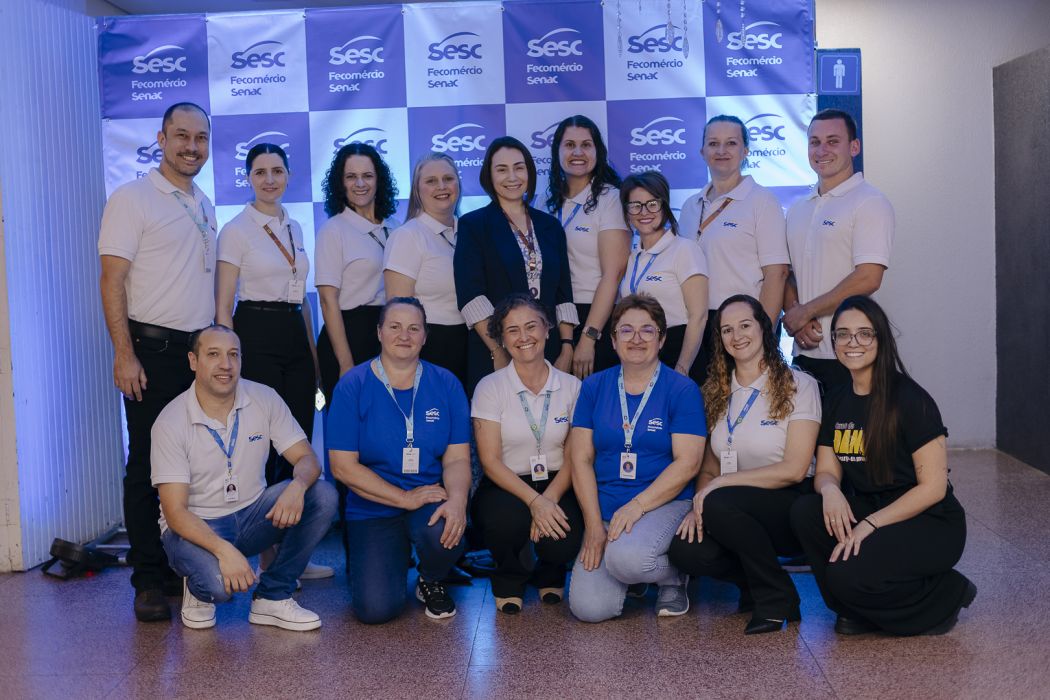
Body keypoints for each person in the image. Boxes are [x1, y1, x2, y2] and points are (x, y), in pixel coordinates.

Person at [789, 296, 975, 636]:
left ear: (881, 339)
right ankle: (852, 610)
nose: (853, 342)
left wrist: (870, 524)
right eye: (843, 334)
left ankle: (946, 594)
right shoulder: (837, 399)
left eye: (864, 333)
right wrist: (830, 490)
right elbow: (827, 470)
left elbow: (933, 488)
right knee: (807, 512)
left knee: (844, 575)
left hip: (928, 520)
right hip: (873, 505)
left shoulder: (911, 399)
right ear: (834, 342)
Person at [98, 102, 216, 622]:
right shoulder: (132, 198)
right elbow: (112, 279)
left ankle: (172, 567)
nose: (192, 147)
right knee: (146, 467)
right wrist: (124, 354)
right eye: (182, 136)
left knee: (188, 467)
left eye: (201, 138)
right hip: (151, 352)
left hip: (195, 356)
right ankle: (147, 579)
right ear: (162, 139)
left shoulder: (203, 202)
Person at [152, 325, 338, 631]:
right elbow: (175, 513)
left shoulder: (264, 398)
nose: (225, 364)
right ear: (193, 361)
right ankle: (198, 588)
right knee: (218, 587)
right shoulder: (171, 422)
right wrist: (223, 551)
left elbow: (307, 459)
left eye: (233, 355)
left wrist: (298, 485)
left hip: (252, 515)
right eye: (213, 354)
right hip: (195, 527)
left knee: (323, 495)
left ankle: (273, 596)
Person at [667, 294, 821, 635]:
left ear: (764, 328)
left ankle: (774, 598)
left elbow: (795, 469)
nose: (736, 336)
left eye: (745, 325)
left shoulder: (799, 385)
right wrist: (699, 503)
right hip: (730, 508)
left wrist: (720, 487)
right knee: (685, 550)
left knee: (720, 502)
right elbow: (709, 468)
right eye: (727, 330)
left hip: (789, 502)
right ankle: (760, 583)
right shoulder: (715, 391)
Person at [215, 142, 333, 581]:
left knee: (295, 444)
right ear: (248, 178)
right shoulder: (236, 230)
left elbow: (302, 299)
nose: (269, 179)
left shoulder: (295, 226)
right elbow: (223, 304)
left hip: (293, 336)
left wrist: (313, 358)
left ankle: (292, 555)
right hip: (255, 333)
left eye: (277, 171)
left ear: (288, 176)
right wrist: (228, 358)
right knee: (262, 449)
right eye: (260, 172)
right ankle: (266, 555)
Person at [327, 298, 472, 623]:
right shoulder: (353, 385)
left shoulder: (446, 383)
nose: (404, 336)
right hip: (372, 506)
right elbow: (342, 467)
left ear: (425, 336)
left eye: (413, 328)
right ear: (379, 332)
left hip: (428, 498)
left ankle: (430, 578)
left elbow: (457, 459)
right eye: (395, 327)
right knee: (376, 610)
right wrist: (403, 498)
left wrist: (458, 501)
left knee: (446, 532)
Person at [568, 294, 706, 622]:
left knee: (628, 560)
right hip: (607, 509)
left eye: (647, 330)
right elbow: (580, 459)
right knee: (589, 609)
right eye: (626, 330)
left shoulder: (682, 389)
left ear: (662, 339)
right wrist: (593, 525)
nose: (636, 339)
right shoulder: (593, 387)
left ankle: (673, 576)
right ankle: (632, 571)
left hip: (662, 502)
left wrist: (637, 506)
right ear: (613, 340)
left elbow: (688, 462)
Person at [471, 294, 584, 614]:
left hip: (559, 480)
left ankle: (551, 571)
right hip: (506, 481)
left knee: (563, 537)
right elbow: (490, 460)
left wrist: (549, 498)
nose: (524, 337)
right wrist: (535, 502)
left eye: (531, 326)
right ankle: (509, 576)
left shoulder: (572, 387)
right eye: (513, 330)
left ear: (547, 329)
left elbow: (575, 456)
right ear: (502, 339)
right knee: (505, 523)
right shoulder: (490, 387)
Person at [783, 109, 894, 396]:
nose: (822, 150)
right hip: (805, 351)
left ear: (854, 147)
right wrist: (797, 318)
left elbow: (868, 278)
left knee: (854, 428)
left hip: (852, 352)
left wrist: (807, 311)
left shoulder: (870, 202)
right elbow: (788, 275)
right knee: (807, 427)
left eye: (833, 141)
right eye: (815, 142)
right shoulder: (797, 209)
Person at [454, 136, 577, 395]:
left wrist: (566, 347)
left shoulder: (550, 226)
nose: (512, 177)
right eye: (502, 169)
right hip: (495, 352)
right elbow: (471, 296)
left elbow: (563, 293)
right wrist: (498, 350)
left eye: (519, 168)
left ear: (530, 173)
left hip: (548, 351)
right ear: (489, 176)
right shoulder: (473, 225)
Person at [678, 115, 790, 376]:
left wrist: (763, 336)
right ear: (702, 151)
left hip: (743, 326)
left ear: (745, 151)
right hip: (696, 325)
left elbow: (777, 274)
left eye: (731, 143)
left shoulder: (762, 201)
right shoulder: (690, 206)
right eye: (713, 143)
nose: (721, 150)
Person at [545, 115, 631, 377]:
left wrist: (589, 337)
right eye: (569, 145)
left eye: (586, 145)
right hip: (550, 316)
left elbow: (613, 274)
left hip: (594, 315)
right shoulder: (544, 200)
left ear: (598, 151)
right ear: (557, 151)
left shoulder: (610, 198)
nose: (578, 152)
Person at [314, 142, 399, 405]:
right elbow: (327, 301)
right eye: (351, 176)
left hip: (388, 336)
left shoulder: (396, 228)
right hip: (348, 337)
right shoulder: (333, 230)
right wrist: (346, 363)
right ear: (341, 183)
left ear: (379, 179)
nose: (360, 183)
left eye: (367, 176)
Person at [384, 153, 468, 386]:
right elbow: (398, 311)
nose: (441, 186)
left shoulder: (470, 232)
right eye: (431, 181)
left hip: (470, 345)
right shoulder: (407, 236)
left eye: (448, 179)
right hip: (429, 349)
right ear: (417, 191)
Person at [618, 171, 709, 383]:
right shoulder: (632, 257)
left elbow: (699, 316)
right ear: (627, 212)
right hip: (641, 354)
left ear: (664, 206)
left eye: (652, 204)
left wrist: (682, 368)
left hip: (678, 351)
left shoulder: (685, 249)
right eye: (635, 205)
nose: (644, 212)